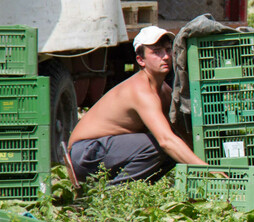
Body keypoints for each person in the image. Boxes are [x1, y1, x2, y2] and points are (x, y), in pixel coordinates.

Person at [68, 26, 209, 185]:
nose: (165, 57)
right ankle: (115, 194)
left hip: (105, 150)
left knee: (176, 147)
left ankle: (135, 189)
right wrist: (208, 172)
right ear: (141, 60)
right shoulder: (141, 91)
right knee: (161, 146)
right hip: (85, 154)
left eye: (168, 50)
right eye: (156, 52)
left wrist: (207, 159)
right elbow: (166, 141)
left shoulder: (163, 91)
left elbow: (181, 133)